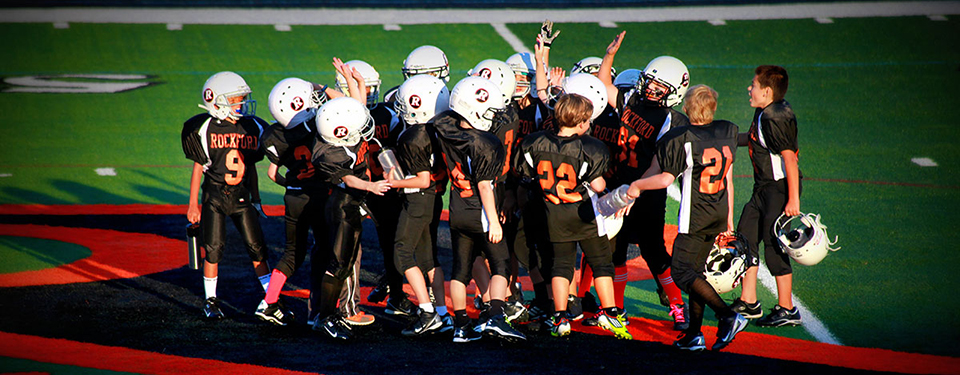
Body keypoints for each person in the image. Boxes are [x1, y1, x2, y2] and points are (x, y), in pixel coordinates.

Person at [624, 84, 747, 351]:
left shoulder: (681, 136)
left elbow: (666, 178)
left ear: (687, 107)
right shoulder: (727, 130)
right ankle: (694, 334)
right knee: (696, 272)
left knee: (681, 272)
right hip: (717, 211)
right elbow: (729, 178)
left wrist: (636, 187)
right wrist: (728, 220)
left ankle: (727, 316)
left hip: (696, 215)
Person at [515, 93, 632, 340]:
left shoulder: (535, 142)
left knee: (560, 266)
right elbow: (599, 185)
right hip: (585, 213)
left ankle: (560, 318)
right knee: (601, 262)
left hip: (554, 213)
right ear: (581, 123)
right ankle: (610, 313)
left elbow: (527, 176)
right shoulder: (591, 147)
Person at [598, 30, 693, 331]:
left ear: (674, 91)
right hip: (619, 186)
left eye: (659, 85)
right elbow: (604, 85)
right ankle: (617, 309)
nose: (651, 88)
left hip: (645, 192)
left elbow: (659, 164)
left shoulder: (671, 120)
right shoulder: (631, 100)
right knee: (616, 249)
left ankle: (678, 307)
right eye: (650, 81)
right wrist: (610, 55)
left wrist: (634, 190)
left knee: (654, 251)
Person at [434, 76, 525, 343]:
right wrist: (494, 221)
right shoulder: (487, 143)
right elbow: (485, 186)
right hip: (481, 211)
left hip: (457, 209)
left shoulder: (444, 127)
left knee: (460, 270)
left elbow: (448, 117)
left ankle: (461, 325)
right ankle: (496, 317)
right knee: (501, 265)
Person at [181, 71, 271, 320]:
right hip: (215, 197)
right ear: (216, 100)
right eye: (235, 99)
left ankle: (271, 297)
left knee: (257, 248)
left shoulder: (250, 127)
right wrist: (193, 204)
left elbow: (251, 166)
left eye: (241, 99)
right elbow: (198, 166)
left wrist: (257, 198)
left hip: (242, 197)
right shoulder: (203, 128)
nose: (241, 104)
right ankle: (210, 299)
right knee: (213, 248)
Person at [310, 96, 391, 340]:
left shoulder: (335, 135)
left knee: (344, 263)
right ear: (340, 132)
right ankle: (324, 318)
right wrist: (371, 187)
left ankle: (326, 315)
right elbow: (349, 179)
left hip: (350, 204)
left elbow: (356, 106)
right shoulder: (332, 154)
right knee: (339, 265)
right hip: (343, 208)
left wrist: (350, 79)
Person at [730, 65, 804, 327]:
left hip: (778, 190)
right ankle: (749, 301)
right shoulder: (764, 112)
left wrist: (793, 199)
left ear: (768, 91)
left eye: (754, 85)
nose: (749, 89)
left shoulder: (775, 117)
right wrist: (719, 138)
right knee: (745, 237)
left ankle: (788, 309)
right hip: (762, 188)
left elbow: (789, 160)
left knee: (773, 247)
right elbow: (752, 139)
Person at [254, 77, 328, 326]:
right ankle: (320, 309)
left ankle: (269, 301)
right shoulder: (318, 125)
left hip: (294, 196)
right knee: (324, 251)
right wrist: (323, 87)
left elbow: (272, 174)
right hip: (319, 195)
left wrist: (294, 184)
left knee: (291, 253)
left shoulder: (273, 135)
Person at [388, 74, 453, 336]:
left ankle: (427, 312)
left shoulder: (412, 136)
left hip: (418, 198)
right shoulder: (443, 128)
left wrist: (392, 183)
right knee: (428, 257)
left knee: (401, 254)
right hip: (435, 197)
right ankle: (442, 313)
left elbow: (422, 179)